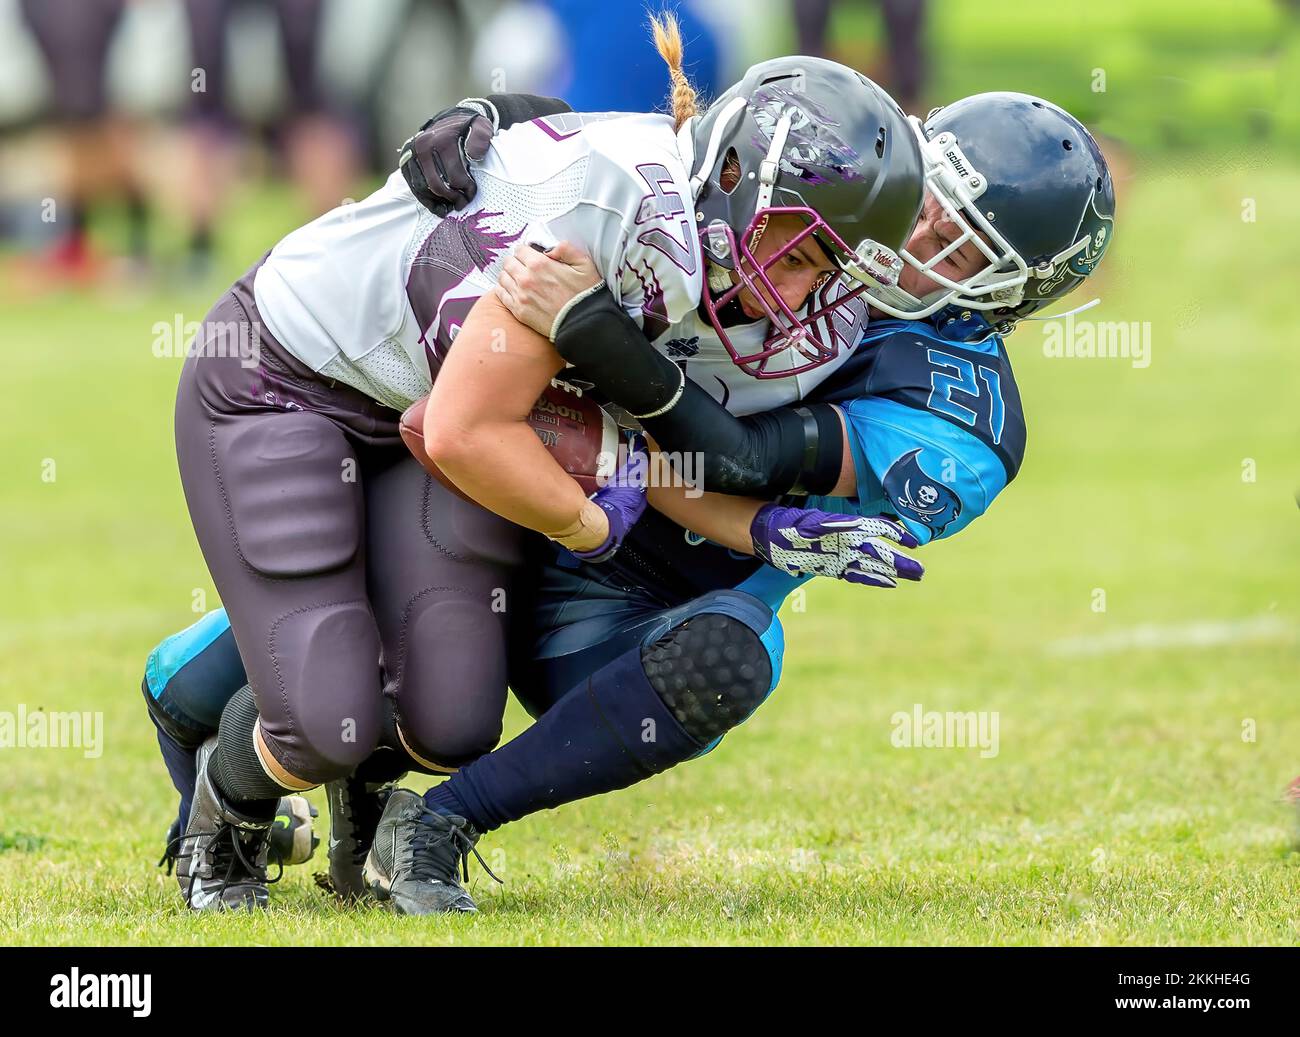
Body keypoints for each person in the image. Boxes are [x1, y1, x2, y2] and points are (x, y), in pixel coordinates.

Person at [147, 85, 1112, 912]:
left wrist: (601, 337)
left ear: (1009, 290)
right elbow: (659, 155)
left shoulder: (957, 418)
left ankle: (437, 821)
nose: (904, 237)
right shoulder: (814, 209)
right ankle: (210, 699)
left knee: (717, 658)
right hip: (550, 477)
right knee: (342, 670)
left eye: (950, 237)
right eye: (922, 198)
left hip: (650, 584)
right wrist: (502, 115)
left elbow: (732, 456)